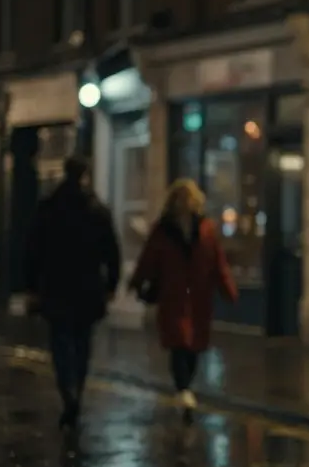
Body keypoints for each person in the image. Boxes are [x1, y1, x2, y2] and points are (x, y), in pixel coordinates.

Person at [25, 155, 122, 428]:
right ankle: (76, 388)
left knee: (60, 340)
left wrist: (31, 286)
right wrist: (112, 284)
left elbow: (32, 250)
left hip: (56, 286)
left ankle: (67, 389)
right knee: (82, 341)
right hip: (88, 287)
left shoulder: (48, 208)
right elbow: (111, 251)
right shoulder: (97, 210)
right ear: (85, 175)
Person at [128, 178, 237, 419]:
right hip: (173, 295)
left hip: (198, 296)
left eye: (188, 199)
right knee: (179, 342)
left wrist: (228, 289)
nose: (185, 204)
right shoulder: (163, 229)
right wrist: (136, 281)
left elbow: (218, 262)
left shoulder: (206, 229)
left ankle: (186, 386)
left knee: (194, 344)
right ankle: (183, 388)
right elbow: (149, 258)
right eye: (181, 199)